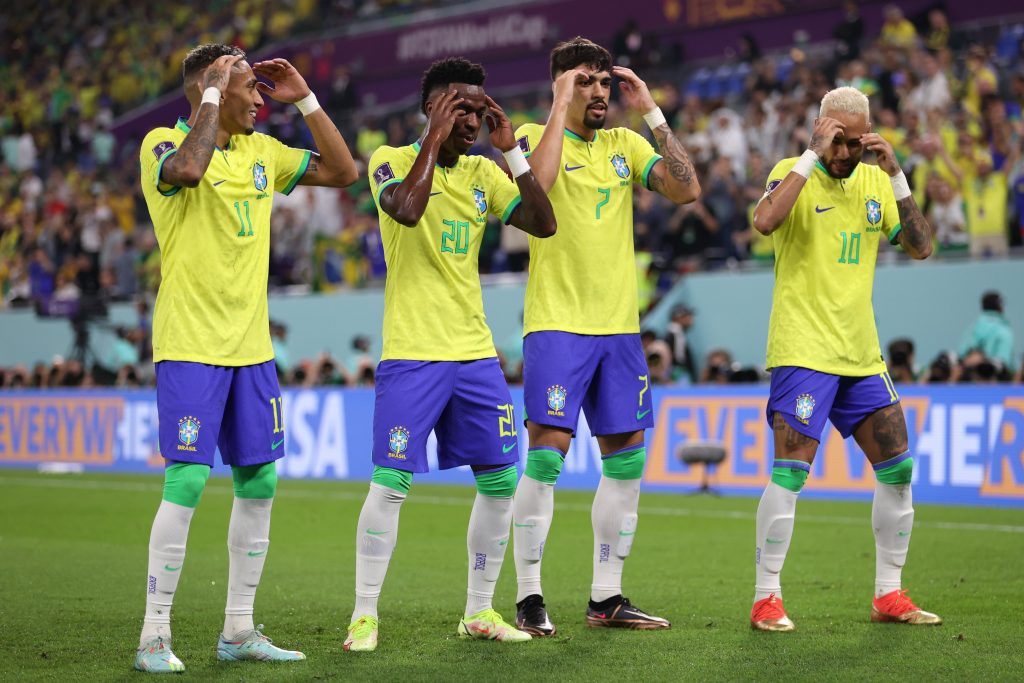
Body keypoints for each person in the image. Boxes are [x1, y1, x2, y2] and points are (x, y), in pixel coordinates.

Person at [134, 44, 358, 672]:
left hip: (252, 348)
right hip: (190, 343)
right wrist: (211, 92)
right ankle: (153, 636)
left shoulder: (263, 151)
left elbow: (343, 172)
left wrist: (306, 100)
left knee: (260, 481)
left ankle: (238, 629)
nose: (261, 97)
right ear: (209, 87)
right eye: (248, 86)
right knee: (187, 479)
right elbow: (187, 171)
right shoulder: (162, 144)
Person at [344, 57, 556, 653]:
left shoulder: (485, 173)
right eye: (462, 108)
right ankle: (364, 615)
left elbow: (543, 223)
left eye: (480, 108)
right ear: (432, 109)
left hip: (475, 354)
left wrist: (511, 152)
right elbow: (407, 209)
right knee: (391, 483)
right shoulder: (390, 160)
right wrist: (434, 140)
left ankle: (479, 610)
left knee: (500, 481)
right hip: (413, 352)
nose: (474, 119)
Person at [510, 37, 700, 635]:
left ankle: (606, 597)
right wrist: (557, 104)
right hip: (558, 325)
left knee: (626, 462)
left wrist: (652, 113)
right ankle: (529, 597)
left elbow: (686, 189)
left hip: (619, 330)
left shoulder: (625, 144)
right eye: (584, 81)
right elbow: (537, 189)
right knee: (547, 458)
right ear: (560, 85)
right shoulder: (530, 136)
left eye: (602, 81)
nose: (598, 91)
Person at [750, 86, 939, 632]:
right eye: (835, 139)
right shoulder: (793, 171)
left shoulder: (877, 182)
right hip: (803, 350)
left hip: (861, 354)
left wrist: (897, 174)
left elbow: (921, 246)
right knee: (790, 474)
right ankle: (766, 598)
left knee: (898, 468)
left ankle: (889, 593)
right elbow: (764, 222)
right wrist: (811, 154)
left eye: (853, 142)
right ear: (819, 131)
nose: (844, 151)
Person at [959, 291, 1015, 371]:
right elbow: (1005, 360)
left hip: (971, 373)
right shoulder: (1004, 330)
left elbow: (962, 353)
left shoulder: (973, 327)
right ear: (1000, 307)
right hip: (997, 374)